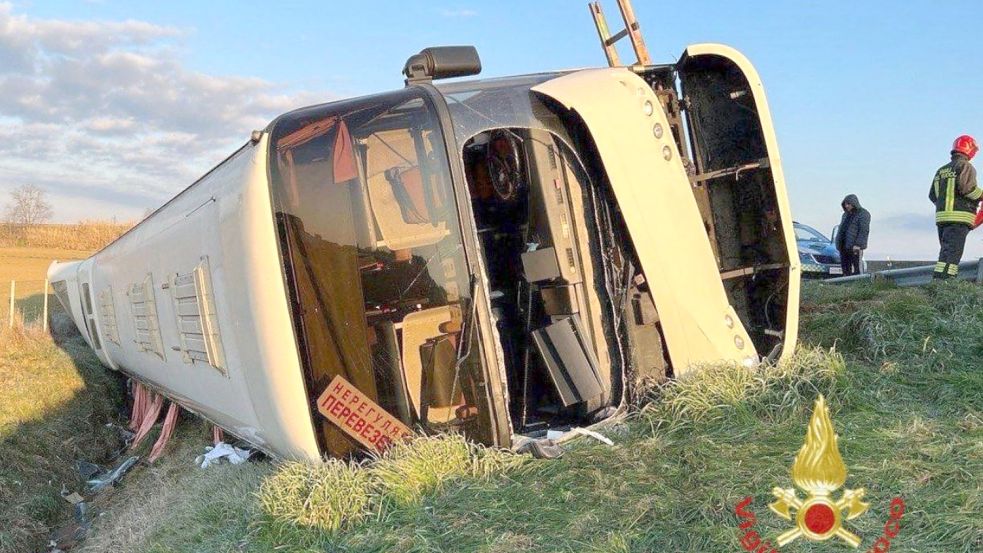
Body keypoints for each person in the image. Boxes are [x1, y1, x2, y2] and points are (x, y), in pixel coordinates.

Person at [929, 135, 981, 279]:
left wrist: (945, 207)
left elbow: (933, 195)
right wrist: (982, 195)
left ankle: (938, 282)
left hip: (942, 219)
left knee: (945, 253)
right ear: (969, 149)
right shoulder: (966, 166)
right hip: (959, 219)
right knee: (953, 255)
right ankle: (948, 283)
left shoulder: (941, 170)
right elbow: (968, 189)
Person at [835, 194, 870, 276]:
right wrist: (838, 243)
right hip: (843, 246)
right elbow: (841, 229)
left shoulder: (863, 214)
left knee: (857, 268)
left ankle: (858, 285)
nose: (846, 206)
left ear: (854, 203)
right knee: (845, 269)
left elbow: (864, 230)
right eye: (845, 204)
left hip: (855, 247)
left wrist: (858, 244)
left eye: (848, 204)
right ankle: (846, 284)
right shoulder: (845, 215)